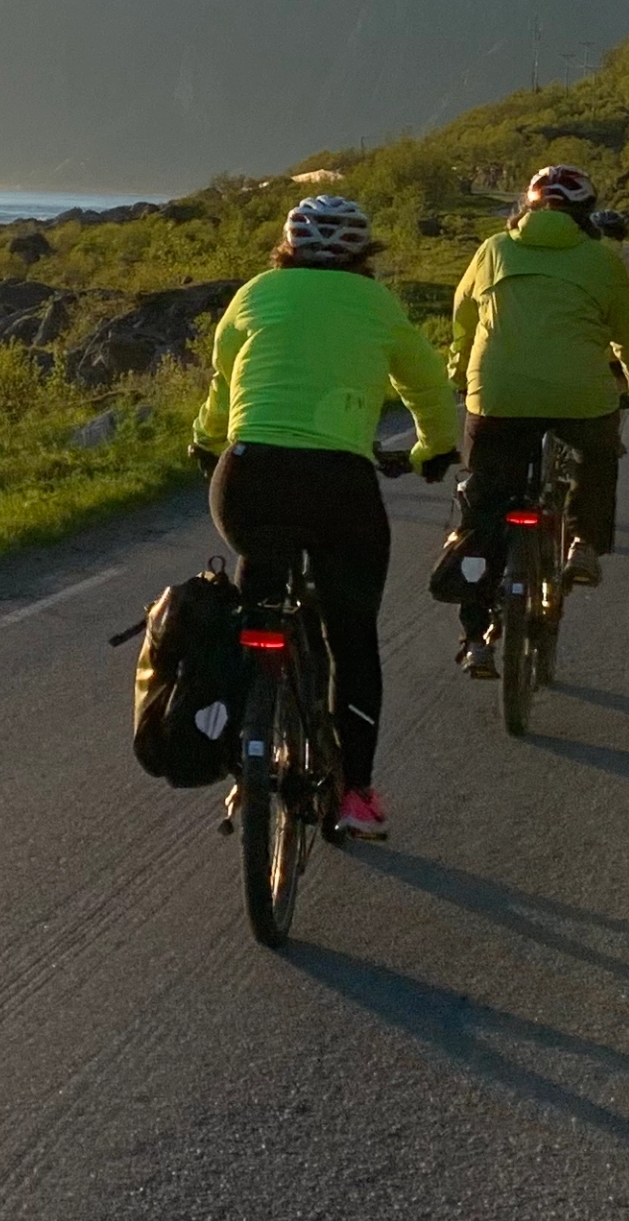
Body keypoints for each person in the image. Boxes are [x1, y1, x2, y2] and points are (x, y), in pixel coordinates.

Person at [188, 191, 457, 842]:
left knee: (254, 604)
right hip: (339, 487)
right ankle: (355, 794)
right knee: (352, 638)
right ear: (365, 255)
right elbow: (427, 386)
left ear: (287, 248)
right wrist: (433, 448)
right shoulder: (378, 304)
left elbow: (224, 384)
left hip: (248, 477)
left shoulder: (255, 293)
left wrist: (206, 440)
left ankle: (242, 751)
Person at [441, 165, 629, 673]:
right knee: (598, 454)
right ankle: (584, 541)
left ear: (528, 207)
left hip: (497, 397)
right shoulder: (603, 261)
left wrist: (459, 372)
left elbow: (464, 319)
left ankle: (476, 637)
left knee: (482, 510)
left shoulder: (493, 249)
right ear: (586, 214)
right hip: (580, 396)